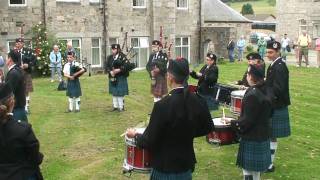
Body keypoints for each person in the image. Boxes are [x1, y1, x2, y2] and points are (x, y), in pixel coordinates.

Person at [126, 58, 213, 180]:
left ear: (170, 77)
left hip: (165, 168)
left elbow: (149, 141)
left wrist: (134, 135)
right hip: (185, 166)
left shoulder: (162, 105)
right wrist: (188, 132)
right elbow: (208, 127)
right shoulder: (198, 100)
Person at [228, 64, 272, 180]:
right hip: (263, 134)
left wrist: (232, 122)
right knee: (256, 171)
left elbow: (246, 122)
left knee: (248, 170)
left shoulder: (252, 94)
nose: (246, 76)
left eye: (247, 74)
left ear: (251, 77)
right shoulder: (266, 88)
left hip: (253, 136)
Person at [0, 83, 43, 180]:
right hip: (22, 174)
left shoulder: (22, 129)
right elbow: (35, 158)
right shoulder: (23, 130)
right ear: (12, 102)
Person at [265, 41, 291, 173]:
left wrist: (265, 96)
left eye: (271, 52)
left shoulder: (279, 66)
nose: (268, 54)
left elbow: (278, 89)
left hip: (276, 105)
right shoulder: (274, 65)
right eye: (267, 51)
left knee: (272, 134)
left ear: (278, 52)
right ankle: (268, 162)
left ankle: (269, 163)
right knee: (270, 134)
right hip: (273, 103)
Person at [104, 44, 135, 112]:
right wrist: (110, 72)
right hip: (112, 76)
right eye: (112, 49)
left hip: (121, 76)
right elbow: (106, 66)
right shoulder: (110, 57)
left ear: (118, 49)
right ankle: (115, 106)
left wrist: (119, 70)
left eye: (114, 49)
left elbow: (128, 66)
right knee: (114, 92)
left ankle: (121, 107)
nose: (113, 50)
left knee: (120, 92)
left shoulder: (122, 56)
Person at [5, 50, 27, 122]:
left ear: (10, 59)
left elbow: (8, 92)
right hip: (18, 106)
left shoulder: (13, 73)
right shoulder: (16, 70)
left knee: (18, 131)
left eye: (6, 58)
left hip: (16, 108)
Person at [15, 38, 36, 114]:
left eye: (20, 43)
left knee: (26, 90)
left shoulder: (28, 51)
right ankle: (19, 105)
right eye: (17, 43)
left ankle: (26, 107)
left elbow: (34, 60)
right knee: (18, 90)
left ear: (23, 44)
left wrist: (28, 65)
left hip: (26, 72)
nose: (19, 44)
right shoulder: (14, 52)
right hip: (16, 72)